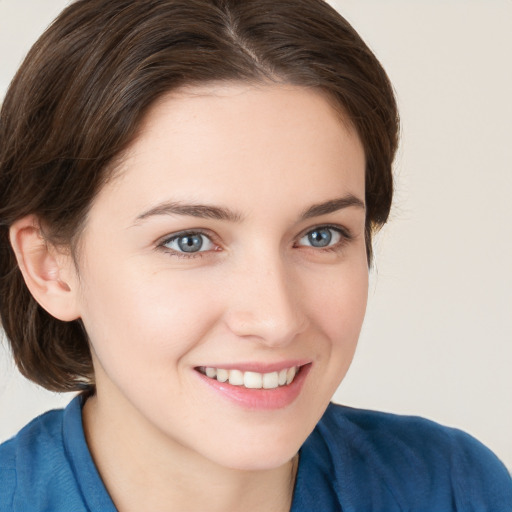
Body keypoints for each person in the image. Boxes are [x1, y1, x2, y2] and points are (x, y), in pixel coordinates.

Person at [0, 0, 510, 510]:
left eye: (321, 235)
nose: (276, 319)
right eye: (189, 241)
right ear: (50, 267)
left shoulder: (455, 489)